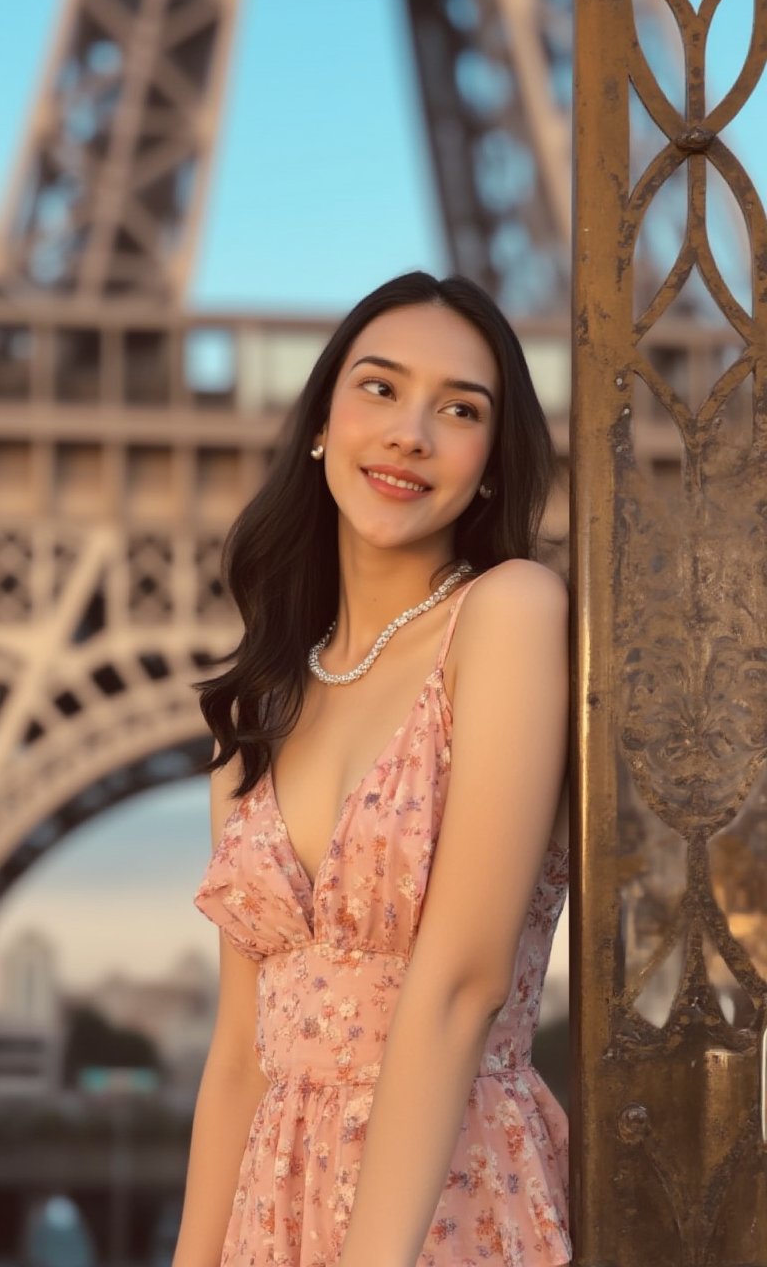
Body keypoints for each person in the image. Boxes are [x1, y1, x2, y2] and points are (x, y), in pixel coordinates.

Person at [173, 271, 571, 1267]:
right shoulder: (260, 712)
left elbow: (463, 984)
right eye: (381, 388)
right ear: (321, 424)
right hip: (270, 1216)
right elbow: (236, 1061)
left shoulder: (507, 614)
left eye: (460, 409)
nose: (411, 433)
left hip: (447, 1202)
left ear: (489, 464)